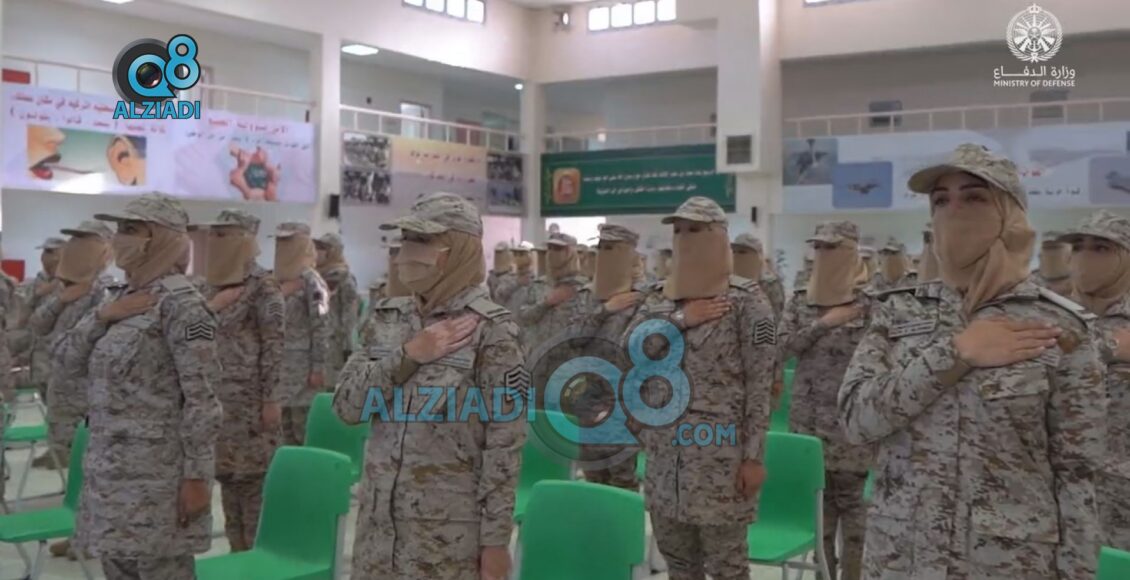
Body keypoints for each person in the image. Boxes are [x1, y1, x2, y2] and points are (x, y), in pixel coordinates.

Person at [838, 144, 1106, 579]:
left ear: (1010, 214)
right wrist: (954, 353)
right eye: (941, 200)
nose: (954, 212)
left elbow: (1076, 472)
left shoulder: (1060, 326)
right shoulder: (899, 312)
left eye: (975, 197)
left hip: (1005, 563)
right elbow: (856, 420)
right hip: (901, 557)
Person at [333, 192, 526, 580]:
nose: (407, 253)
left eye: (421, 241)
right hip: (377, 532)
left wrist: (494, 543)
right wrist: (408, 355)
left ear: (457, 250)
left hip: (445, 540)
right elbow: (347, 408)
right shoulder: (388, 319)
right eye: (406, 240)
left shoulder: (494, 331)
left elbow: (504, 448)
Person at [57, 193, 222, 580]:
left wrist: (197, 477)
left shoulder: (184, 306)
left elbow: (202, 400)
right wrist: (101, 317)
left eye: (131, 229)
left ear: (161, 239)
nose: (119, 238)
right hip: (108, 476)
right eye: (119, 229)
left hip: (157, 480)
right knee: (117, 568)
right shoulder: (116, 299)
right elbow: (65, 361)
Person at [625, 196, 775, 580]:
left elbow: (761, 384)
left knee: (727, 568)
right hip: (665, 459)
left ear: (718, 236)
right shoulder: (659, 297)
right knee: (679, 566)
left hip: (720, 460)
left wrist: (754, 457)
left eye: (695, 230)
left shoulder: (747, 301)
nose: (684, 238)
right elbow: (630, 349)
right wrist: (680, 319)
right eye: (678, 230)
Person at [778, 220, 873, 580]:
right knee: (820, 514)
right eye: (818, 247)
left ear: (851, 250)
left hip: (850, 427)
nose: (823, 254)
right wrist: (824, 324)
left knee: (854, 513)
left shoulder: (872, 303)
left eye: (832, 248)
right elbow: (779, 349)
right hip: (809, 425)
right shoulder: (801, 299)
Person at [192, 209, 284, 553]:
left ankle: (257, 553)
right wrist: (211, 307)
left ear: (246, 239)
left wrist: (271, 399)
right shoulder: (206, 286)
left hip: (249, 401)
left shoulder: (263, 287)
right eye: (213, 234)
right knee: (228, 476)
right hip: (215, 398)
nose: (215, 241)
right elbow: (193, 335)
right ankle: (237, 550)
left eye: (224, 234)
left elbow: (275, 345)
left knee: (253, 478)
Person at [1059, 211, 1130, 551]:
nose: (1085, 258)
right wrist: (1112, 346)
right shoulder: (1052, 316)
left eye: (1101, 249)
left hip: (1121, 505)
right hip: (1060, 500)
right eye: (1078, 247)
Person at [29, 221, 113, 479]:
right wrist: (61, 298)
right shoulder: (63, 286)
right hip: (59, 379)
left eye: (86, 242)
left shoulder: (107, 290)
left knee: (87, 453)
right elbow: (38, 324)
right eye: (75, 241)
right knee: (59, 436)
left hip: (87, 386)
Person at [571, 224, 647, 490]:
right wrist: (605, 310)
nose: (605, 254)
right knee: (593, 477)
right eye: (601, 247)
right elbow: (573, 339)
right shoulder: (586, 296)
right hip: (589, 397)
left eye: (612, 248)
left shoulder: (644, 298)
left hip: (625, 401)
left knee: (621, 480)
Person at [272, 222, 330, 446]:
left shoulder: (313, 282)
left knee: (303, 430)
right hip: (279, 368)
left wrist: (318, 367)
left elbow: (321, 326)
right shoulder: (277, 280)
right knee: (282, 432)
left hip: (302, 370)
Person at [518, 232, 587, 357]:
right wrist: (545, 304)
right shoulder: (539, 284)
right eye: (550, 248)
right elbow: (524, 317)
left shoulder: (581, 288)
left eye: (558, 249)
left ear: (570, 252)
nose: (552, 253)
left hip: (568, 359)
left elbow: (587, 327)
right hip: (539, 357)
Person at [15, 236, 66, 397]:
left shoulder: (70, 281)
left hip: (58, 350)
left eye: (50, 252)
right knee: (41, 390)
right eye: (44, 252)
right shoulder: (40, 278)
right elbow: (26, 308)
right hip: (37, 348)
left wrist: (54, 287)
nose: (45, 257)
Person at [315, 232, 360, 389]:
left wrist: (347, 345)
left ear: (332, 251)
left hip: (333, 343)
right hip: (314, 342)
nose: (317, 252)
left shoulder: (343, 277)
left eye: (322, 248)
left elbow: (349, 312)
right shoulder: (313, 276)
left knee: (330, 386)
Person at [731, 233, 786, 317]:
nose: (737, 256)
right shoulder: (727, 281)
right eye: (734, 252)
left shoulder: (770, 283)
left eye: (742, 252)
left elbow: (776, 315)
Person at [1033, 231, 1074, 295]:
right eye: (1046, 248)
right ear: (1040, 256)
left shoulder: (1082, 285)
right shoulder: (1029, 284)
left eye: (1056, 248)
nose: (1050, 255)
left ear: (1070, 256)